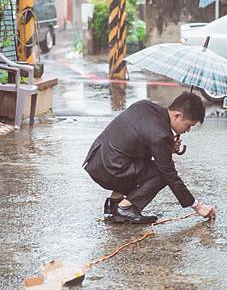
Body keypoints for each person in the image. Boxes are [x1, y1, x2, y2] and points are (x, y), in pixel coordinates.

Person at [83, 92, 216, 224]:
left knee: (142, 162)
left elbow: (136, 142)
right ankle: (125, 207)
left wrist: (167, 149)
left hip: (97, 161)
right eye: (188, 125)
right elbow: (170, 175)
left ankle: (115, 201)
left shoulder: (144, 106)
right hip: (110, 171)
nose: (188, 130)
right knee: (162, 174)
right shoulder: (161, 135)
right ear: (177, 115)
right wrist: (197, 206)